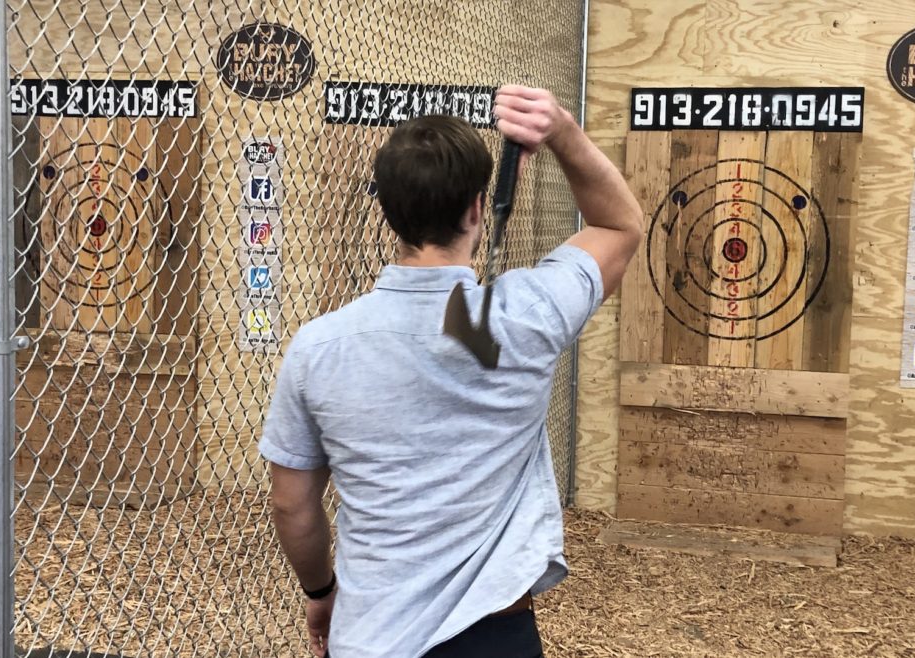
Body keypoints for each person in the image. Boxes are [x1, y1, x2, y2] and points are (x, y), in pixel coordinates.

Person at [258, 85, 642, 658]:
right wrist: (560, 130)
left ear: (388, 211)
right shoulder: (526, 314)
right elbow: (620, 226)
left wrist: (320, 591)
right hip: (497, 633)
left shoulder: (318, 347)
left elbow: (293, 504)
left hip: (371, 636)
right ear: (475, 208)